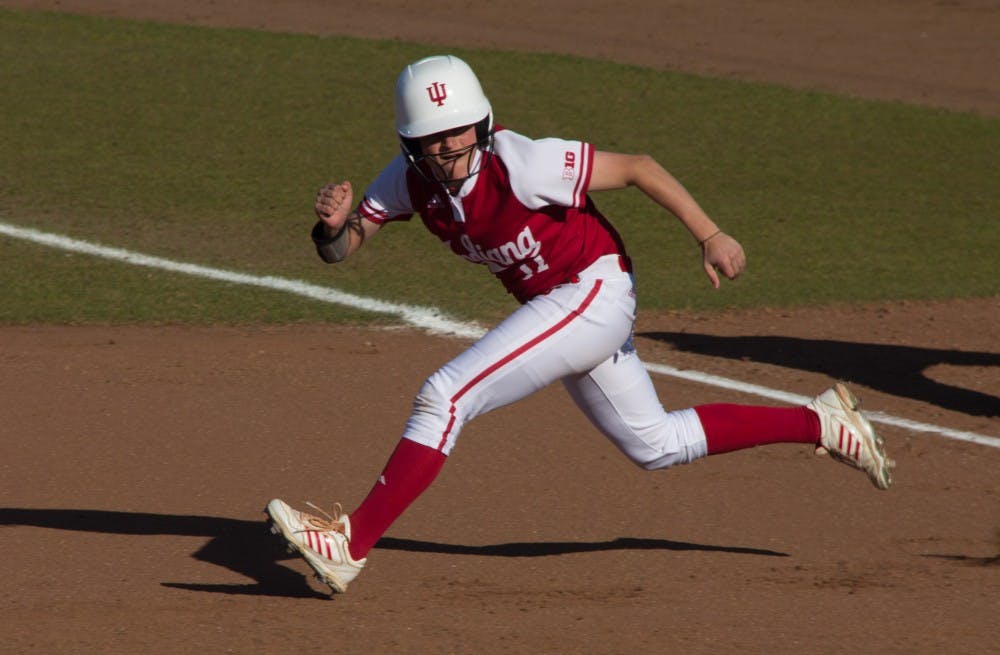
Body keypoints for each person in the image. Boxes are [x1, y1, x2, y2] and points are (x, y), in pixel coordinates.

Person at [265, 55, 894, 595]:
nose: (446, 147)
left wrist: (709, 234)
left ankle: (350, 544)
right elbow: (344, 248)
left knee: (444, 395)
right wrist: (331, 227)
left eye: (457, 133)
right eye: (430, 138)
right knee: (655, 444)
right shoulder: (409, 182)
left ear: (480, 124)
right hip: (565, 307)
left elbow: (639, 166)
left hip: (593, 291)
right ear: (410, 142)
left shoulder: (526, 163)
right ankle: (823, 422)